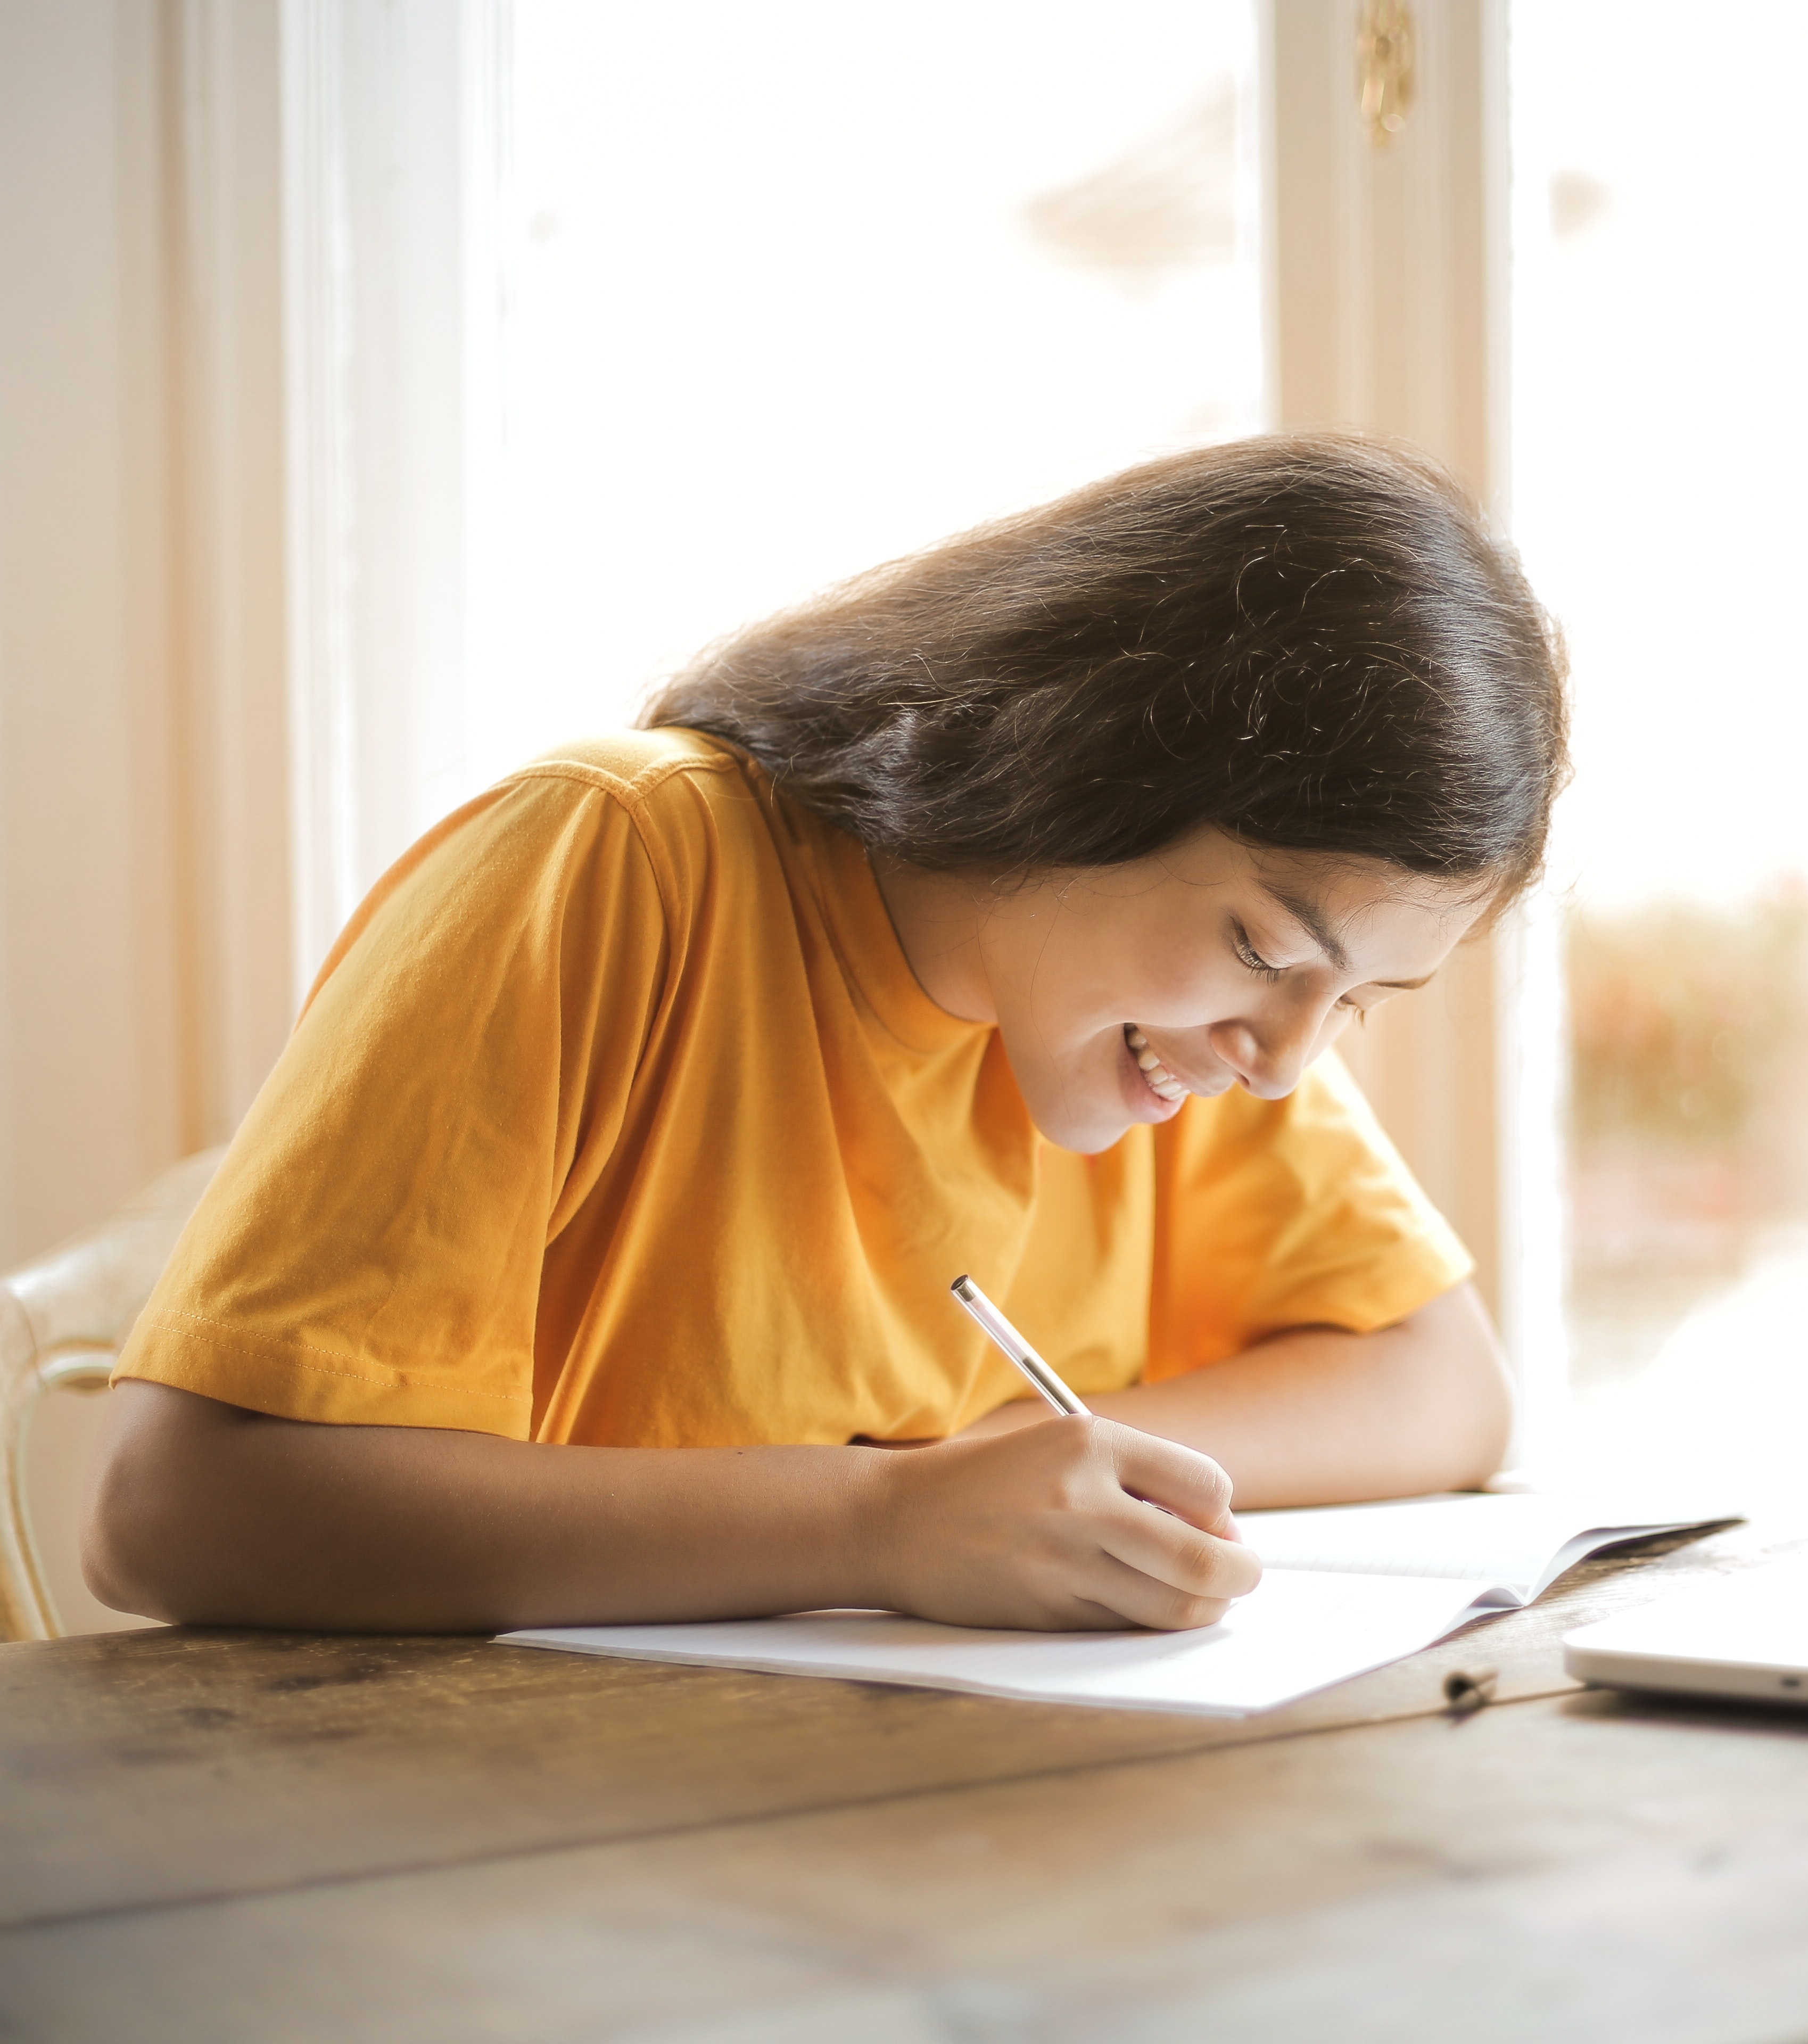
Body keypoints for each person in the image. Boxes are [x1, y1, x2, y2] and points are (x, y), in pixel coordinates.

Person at [83, 433, 1569, 1640]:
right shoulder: (615, 864)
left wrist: (1026, 1479)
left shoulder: (1183, 1033)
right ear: (1079, 761)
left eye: (1356, 1003)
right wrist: (883, 1525)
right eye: (1264, 949)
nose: (1289, 1060)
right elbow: (174, 1512)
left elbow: (1444, 1385)